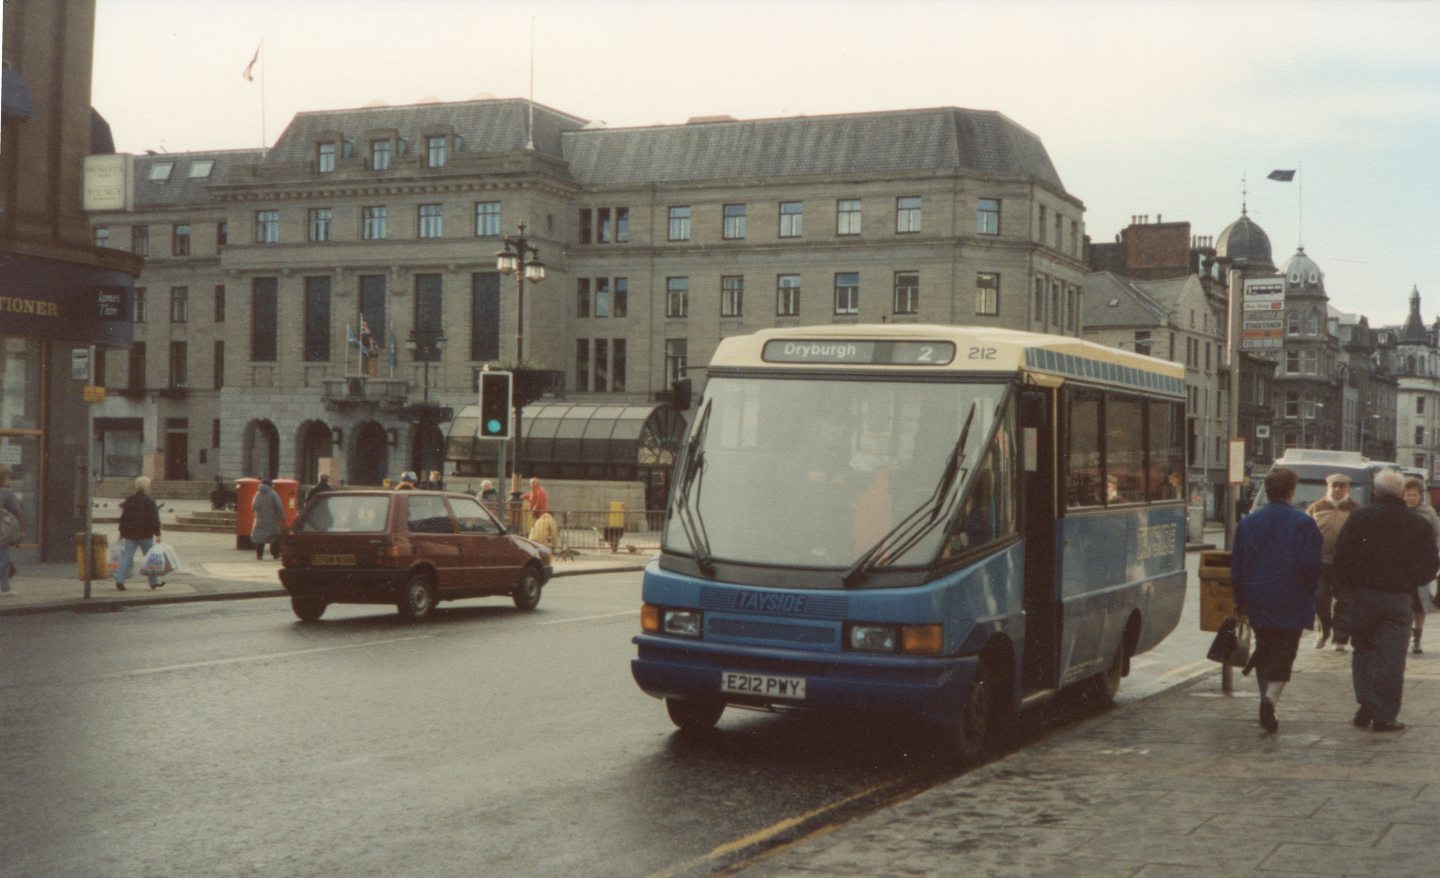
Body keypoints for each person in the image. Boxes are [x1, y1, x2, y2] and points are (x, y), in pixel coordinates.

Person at [1334, 468, 1439, 732]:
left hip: (1363, 594)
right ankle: (1385, 714)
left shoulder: (1360, 517)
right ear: (1402, 493)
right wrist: (1411, 581)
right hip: (1398, 597)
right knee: (1392, 656)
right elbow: (1430, 565)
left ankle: (1366, 700)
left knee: (1364, 649)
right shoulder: (1418, 524)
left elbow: (1342, 555)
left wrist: (1350, 585)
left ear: (1375, 492)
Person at [1230, 467, 1323, 733]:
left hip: (1258, 596)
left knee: (1265, 648)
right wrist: (1309, 591)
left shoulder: (1248, 522)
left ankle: (1265, 699)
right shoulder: (1303, 523)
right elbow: (1311, 565)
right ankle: (1269, 700)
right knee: (1285, 651)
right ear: (1291, 492)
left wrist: (1240, 598)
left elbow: (1238, 565)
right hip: (1292, 596)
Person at [1307, 473, 1359, 651]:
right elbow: (1306, 533)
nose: (1337, 490)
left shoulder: (1355, 509)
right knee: (1320, 598)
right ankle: (1323, 631)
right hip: (1320, 562)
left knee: (1344, 602)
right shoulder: (1316, 508)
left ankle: (1341, 639)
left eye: (1341, 486)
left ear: (1347, 489)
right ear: (1327, 488)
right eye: (1333, 486)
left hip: (1345, 564)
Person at [1401, 477, 1438, 654]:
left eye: (1414, 495)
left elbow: (1436, 536)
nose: (1410, 498)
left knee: (1420, 604)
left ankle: (1417, 638)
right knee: (1404, 602)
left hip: (1421, 564)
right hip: (1402, 564)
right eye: (1407, 495)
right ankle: (1405, 635)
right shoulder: (1399, 512)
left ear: (1420, 495)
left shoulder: (1428, 512)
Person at [115, 475, 165, 590]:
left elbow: (123, 518)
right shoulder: (150, 501)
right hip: (145, 535)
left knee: (126, 557)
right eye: (149, 486)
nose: (150, 488)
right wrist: (157, 534)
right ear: (146, 487)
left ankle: (120, 580)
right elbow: (154, 519)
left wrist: (121, 533)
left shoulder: (129, 500)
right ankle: (153, 582)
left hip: (130, 534)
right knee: (150, 558)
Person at [250, 477, 286, 560]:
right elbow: (279, 506)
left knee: (260, 538)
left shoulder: (257, 494)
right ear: (270, 485)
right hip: (272, 520)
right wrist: (282, 517)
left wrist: (257, 515)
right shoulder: (273, 493)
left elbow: (253, 506)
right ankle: (275, 554)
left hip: (259, 520)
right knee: (274, 538)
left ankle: (259, 555)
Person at [0, 465, 22, 596]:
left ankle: (5, 587)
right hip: (2, 531)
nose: (10, 481)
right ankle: (5, 588)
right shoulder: (7, 492)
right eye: (8, 478)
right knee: (3, 559)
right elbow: (17, 511)